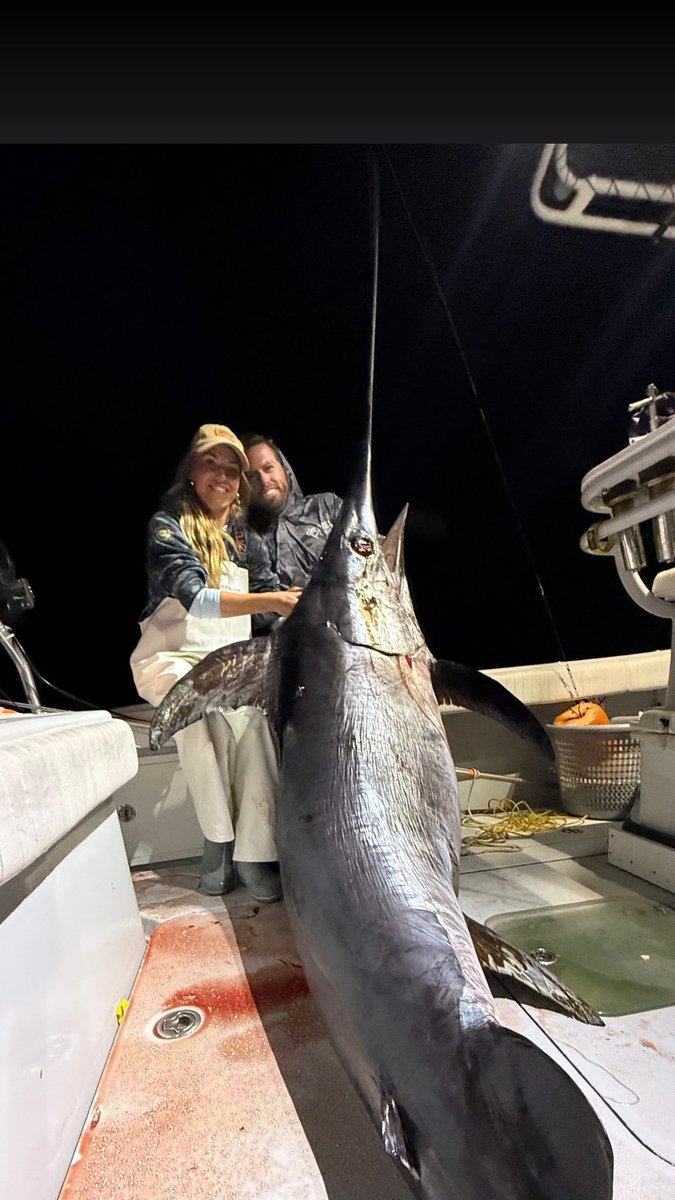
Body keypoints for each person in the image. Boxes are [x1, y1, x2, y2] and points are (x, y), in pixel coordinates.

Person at [130, 423, 301, 903]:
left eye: (232, 469)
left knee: (254, 728)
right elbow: (195, 597)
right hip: (171, 658)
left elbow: (270, 608)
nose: (222, 477)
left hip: (229, 662)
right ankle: (218, 843)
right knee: (198, 719)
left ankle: (254, 853)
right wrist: (274, 599)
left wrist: (302, 610)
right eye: (212, 465)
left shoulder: (249, 538)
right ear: (192, 470)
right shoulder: (168, 525)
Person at [241, 433, 342, 592]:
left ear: (284, 468)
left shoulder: (327, 506)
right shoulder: (242, 537)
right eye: (252, 476)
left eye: (268, 468)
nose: (264, 480)